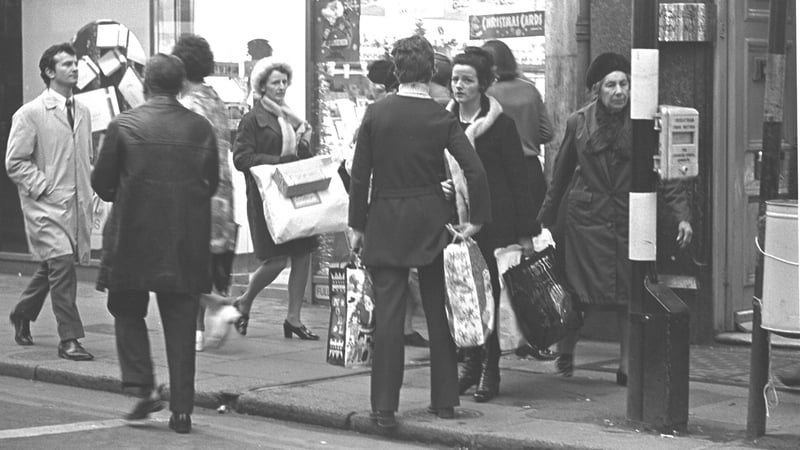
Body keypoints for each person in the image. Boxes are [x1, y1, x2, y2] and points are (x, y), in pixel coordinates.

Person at [348, 35, 491, 429]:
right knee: (438, 311)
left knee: (390, 317)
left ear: (396, 71)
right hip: (433, 221)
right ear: (431, 72)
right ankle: (445, 400)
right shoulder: (442, 117)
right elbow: (474, 170)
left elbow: (361, 176)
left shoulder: (376, 113)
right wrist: (475, 220)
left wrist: (356, 225)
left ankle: (383, 408)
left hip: (386, 220)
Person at [538, 52, 693, 386]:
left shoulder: (645, 123)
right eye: (611, 84)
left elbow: (667, 174)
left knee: (628, 294)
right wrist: (543, 221)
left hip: (628, 218)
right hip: (587, 221)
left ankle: (625, 366)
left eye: (624, 83)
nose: (619, 91)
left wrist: (682, 216)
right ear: (598, 89)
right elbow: (560, 175)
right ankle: (567, 351)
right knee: (577, 293)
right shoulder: (578, 122)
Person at [92, 53, 219, 433]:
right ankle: (181, 410)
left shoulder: (123, 124)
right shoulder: (200, 128)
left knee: (126, 307)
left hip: (133, 235)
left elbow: (102, 183)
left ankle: (141, 384)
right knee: (181, 321)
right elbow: (210, 183)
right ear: (181, 86)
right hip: (184, 237)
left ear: (146, 84)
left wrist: (131, 193)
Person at [447, 47, 540, 402]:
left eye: (467, 80)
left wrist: (525, 233)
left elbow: (520, 180)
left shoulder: (501, 126)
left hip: (492, 224)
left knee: (488, 297)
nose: (459, 86)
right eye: (455, 79)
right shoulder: (444, 122)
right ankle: (470, 364)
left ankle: (491, 367)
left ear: (483, 84)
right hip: (453, 224)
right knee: (460, 295)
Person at [5, 43, 93, 361]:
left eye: (75, 63)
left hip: (75, 205)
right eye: (66, 64)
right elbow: (15, 162)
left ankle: (22, 312)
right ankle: (69, 338)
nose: (74, 68)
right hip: (45, 205)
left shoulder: (82, 111)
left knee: (55, 265)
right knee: (63, 265)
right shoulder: (30, 113)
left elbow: (85, 159)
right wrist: (43, 188)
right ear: (49, 72)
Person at [481, 39, 558, 362]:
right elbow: (547, 132)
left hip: (496, 177)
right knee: (530, 253)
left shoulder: (488, 96)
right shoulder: (529, 90)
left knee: (498, 256)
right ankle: (534, 324)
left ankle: (503, 332)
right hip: (530, 172)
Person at [232, 57, 318, 340]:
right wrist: (278, 161)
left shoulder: (291, 118)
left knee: (303, 255)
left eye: (284, 82)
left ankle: (293, 319)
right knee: (277, 260)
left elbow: (299, 158)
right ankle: (244, 301)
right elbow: (241, 158)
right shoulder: (252, 119)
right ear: (262, 86)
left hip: (293, 194)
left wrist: (304, 143)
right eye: (275, 83)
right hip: (266, 199)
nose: (281, 87)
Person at [172, 35, 239, 352]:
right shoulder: (214, 99)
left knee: (184, 262)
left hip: (196, 193)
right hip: (222, 192)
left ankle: (211, 311)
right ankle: (202, 325)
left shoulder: (188, 104)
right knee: (203, 263)